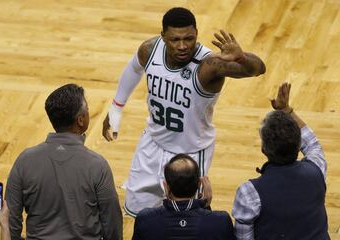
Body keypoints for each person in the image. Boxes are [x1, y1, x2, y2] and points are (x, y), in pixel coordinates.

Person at [102, 7, 266, 216]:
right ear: (163, 37)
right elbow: (134, 68)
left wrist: (242, 58)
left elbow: (258, 69)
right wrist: (116, 108)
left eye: (189, 39)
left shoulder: (210, 64)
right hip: (152, 145)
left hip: (190, 153)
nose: (182, 46)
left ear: (197, 34)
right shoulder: (150, 49)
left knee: (187, 221)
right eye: (175, 40)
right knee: (138, 215)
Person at [6, 84, 123, 240]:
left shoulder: (24, 161)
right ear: (80, 120)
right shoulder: (98, 166)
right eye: (87, 108)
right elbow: (112, 225)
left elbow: (10, 220)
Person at [232, 83, 329, 240]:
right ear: (298, 145)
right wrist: (287, 110)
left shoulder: (249, 193)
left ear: (264, 149)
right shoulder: (317, 168)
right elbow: (312, 143)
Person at [132, 154, 236, 240]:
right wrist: (205, 206)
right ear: (200, 184)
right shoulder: (221, 221)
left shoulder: (145, 219)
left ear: (166, 186)